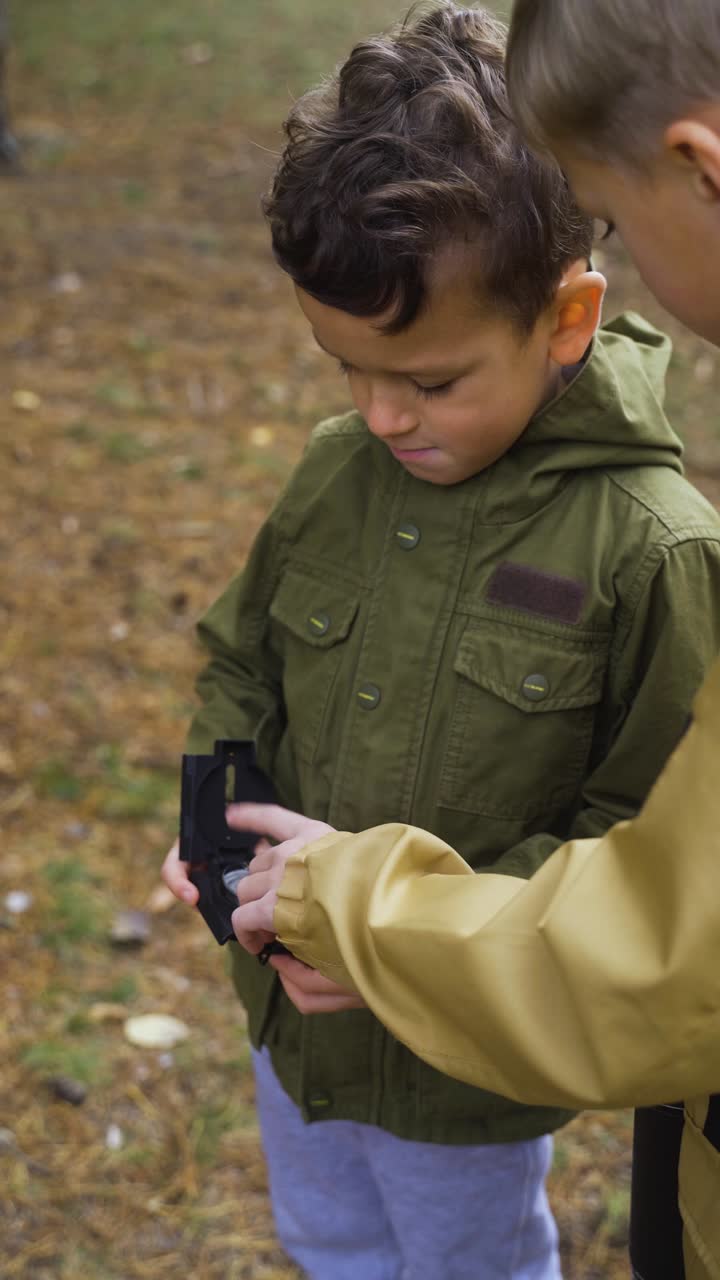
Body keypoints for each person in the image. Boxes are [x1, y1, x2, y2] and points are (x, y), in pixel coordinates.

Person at [161, 5, 720, 1278]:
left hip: (455, 1055)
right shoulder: (334, 473)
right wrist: (219, 818)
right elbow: (245, 661)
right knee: (330, 1239)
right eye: (344, 366)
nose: (379, 413)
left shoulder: (655, 549)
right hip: (290, 1011)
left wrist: (410, 938)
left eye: (431, 379)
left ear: (566, 321)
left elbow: (644, 839)